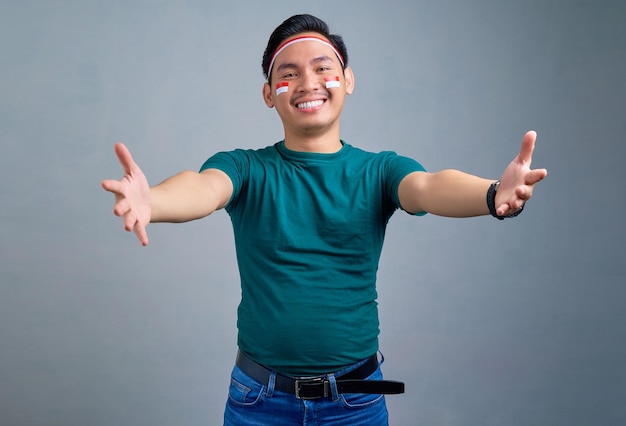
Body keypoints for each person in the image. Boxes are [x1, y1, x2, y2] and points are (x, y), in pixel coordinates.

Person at [101, 13, 547, 426]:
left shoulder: (379, 171)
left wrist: (492, 194)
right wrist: (153, 201)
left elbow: (428, 187)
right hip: (258, 399)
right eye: (288, 74)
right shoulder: (246, 168)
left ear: (347, 80)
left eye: (321, 68)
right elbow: (203, 188)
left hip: (356, 401)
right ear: (267, 93)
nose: (307, 83)